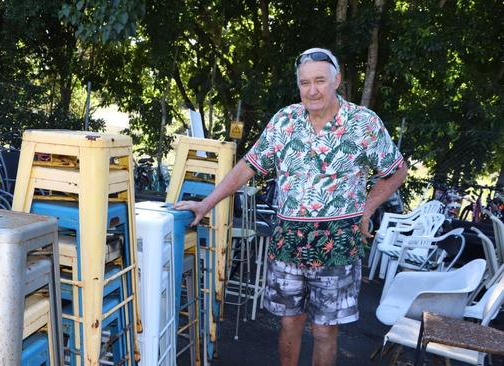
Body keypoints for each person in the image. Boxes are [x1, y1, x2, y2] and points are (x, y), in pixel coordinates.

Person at [174, 47, 408, 366]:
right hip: (289, 241)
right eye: (305, 82)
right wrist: (206, 203)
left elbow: (396, 170)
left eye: (320, 81)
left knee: (325, 331)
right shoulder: (285, 120)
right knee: (288, 323)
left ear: (337, 80)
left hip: (337, 243)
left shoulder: (364, 123)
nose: (312, 90)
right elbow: (249, 165)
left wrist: (366, 209)